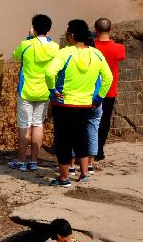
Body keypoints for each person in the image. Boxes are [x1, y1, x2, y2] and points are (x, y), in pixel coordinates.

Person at [45, 19, 112, 186]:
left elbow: (50, 73)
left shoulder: (65, 53)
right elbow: (108, 78)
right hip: (85, 105)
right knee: (81, 138)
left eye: (68, 33)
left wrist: (53, 90)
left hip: (64, 104)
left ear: (72, 35)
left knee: (63, 141)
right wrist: (98, 98)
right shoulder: (96, 54)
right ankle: (84, 174)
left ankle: (64, 178)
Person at [10, 15, 59, 172]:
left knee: (24, 126)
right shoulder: (55, 47)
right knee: (38, 124)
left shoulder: (26, 44)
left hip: (26, 91)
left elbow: (15, 56)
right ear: (48, 29)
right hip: (44, 91)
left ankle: (21, 161)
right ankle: (33, 161)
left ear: (34, 28)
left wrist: (29, 38)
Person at [93, 17, 126, 166]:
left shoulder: (91, 47)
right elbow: (121, 57)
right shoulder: (119, 48)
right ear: (110, 30)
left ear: (95, 30)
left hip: (92, 90)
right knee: (104, 121)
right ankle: (99, 150)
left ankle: (88, 150)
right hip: (109, 91)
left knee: (89, 121)